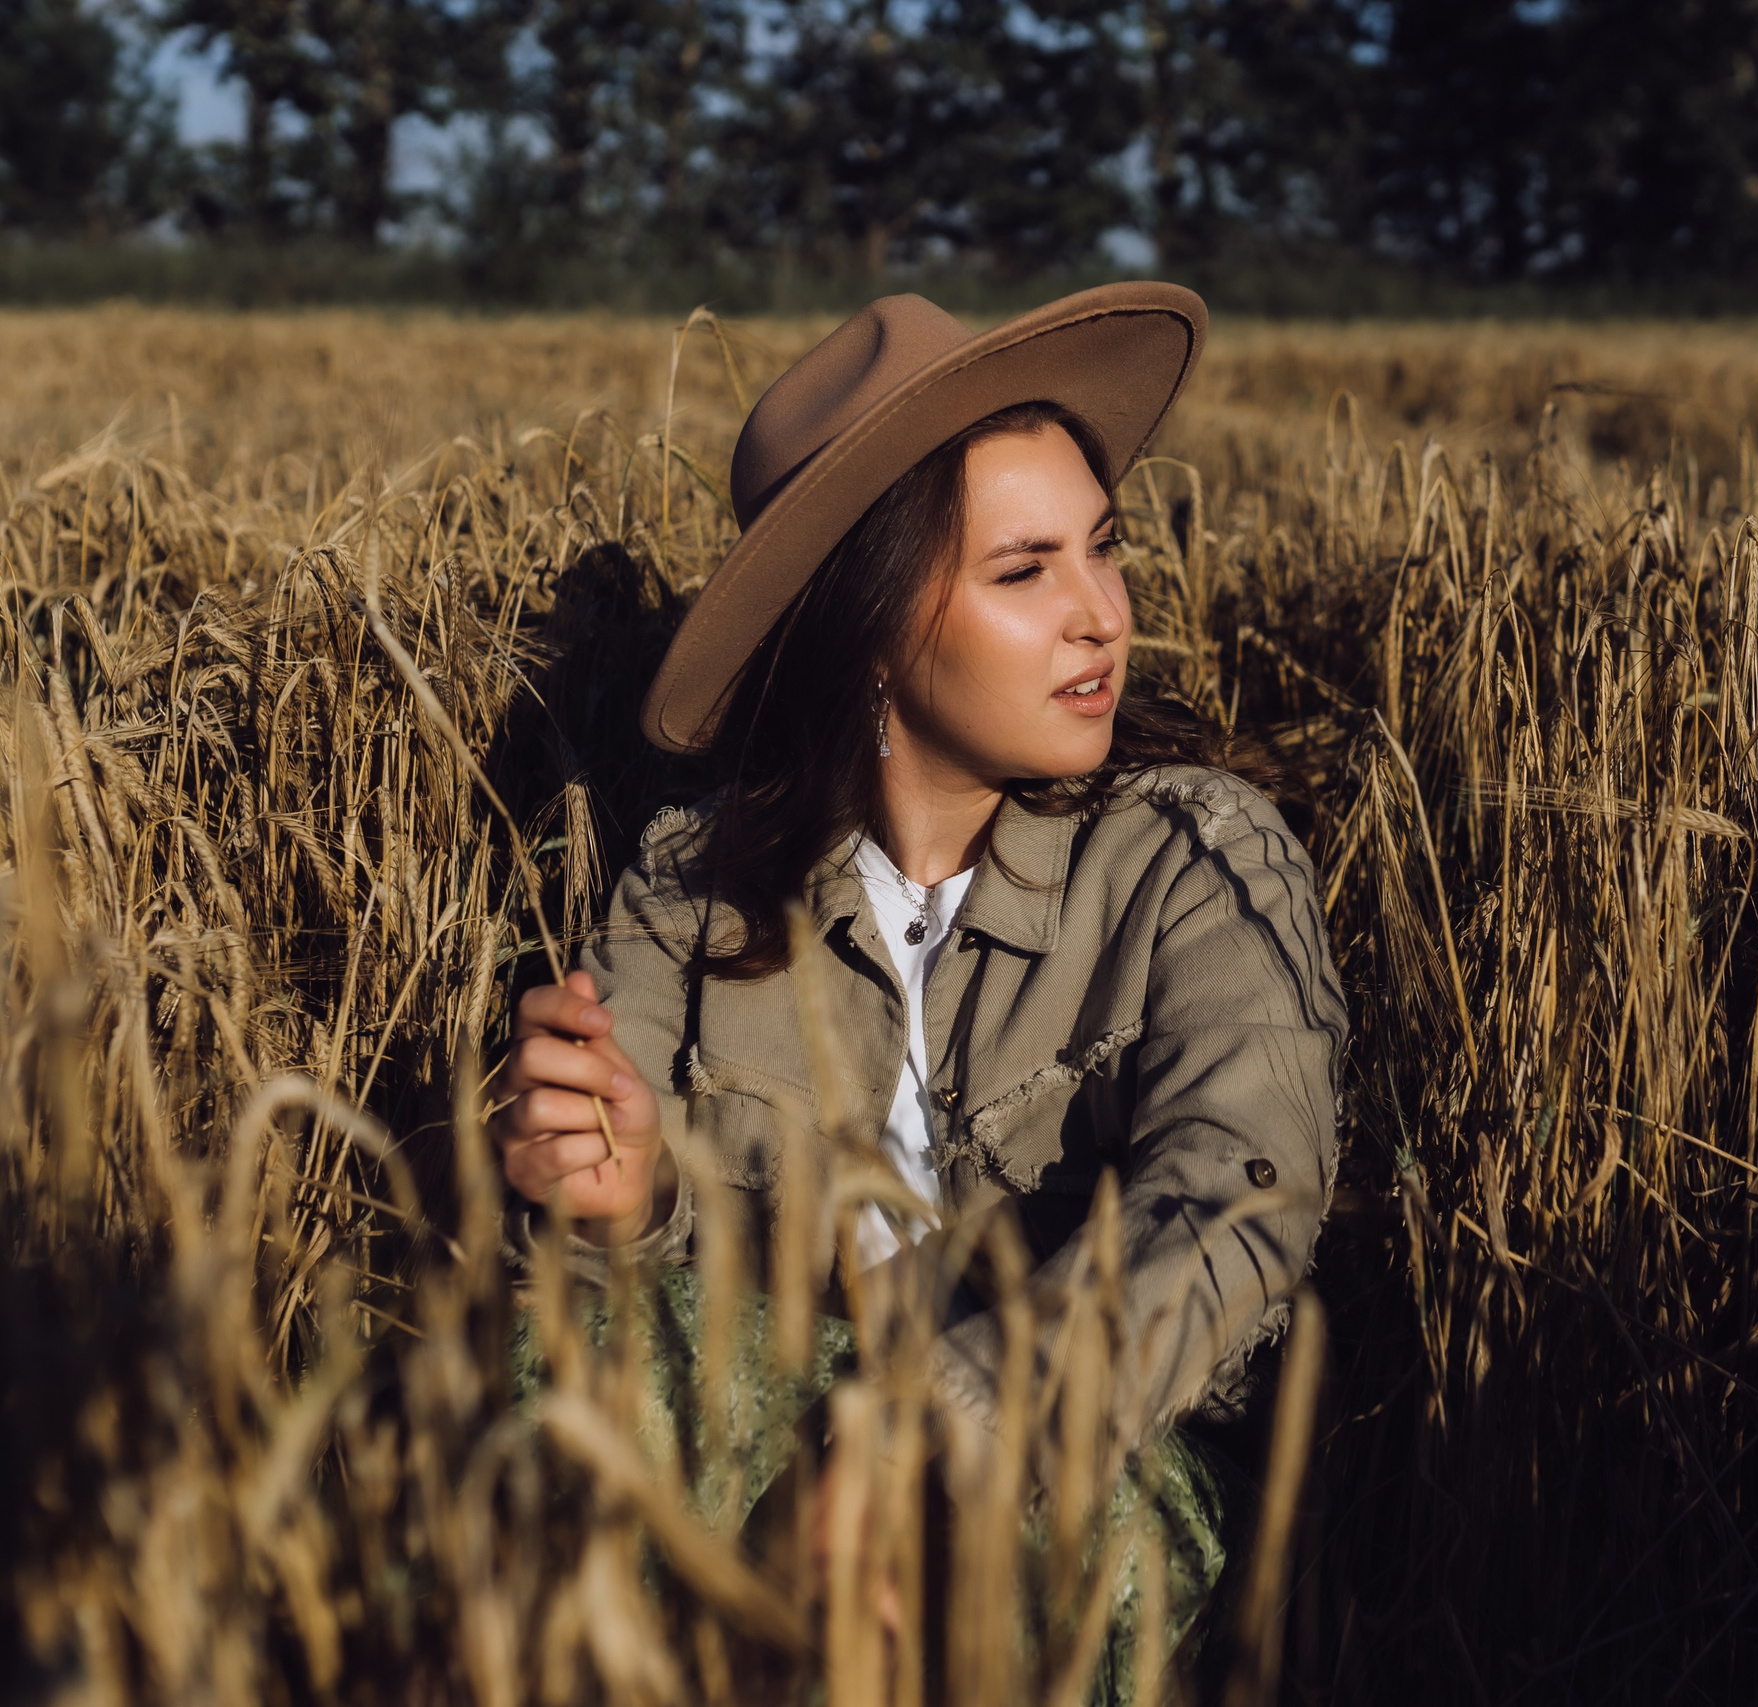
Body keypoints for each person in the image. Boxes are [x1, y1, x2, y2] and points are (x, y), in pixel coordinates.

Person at [484, 283, 1347, 1690]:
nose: (1104, 618)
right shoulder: (684, 887)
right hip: (774, 1437)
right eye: (1027, 572)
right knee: (566, 1412)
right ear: (872, 630)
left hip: (1089, 1453)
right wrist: (614, 1201)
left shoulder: (1198, 859)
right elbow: (613, 1318)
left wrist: (931, 1440)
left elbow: (1239, 1203)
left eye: (1103, 550)